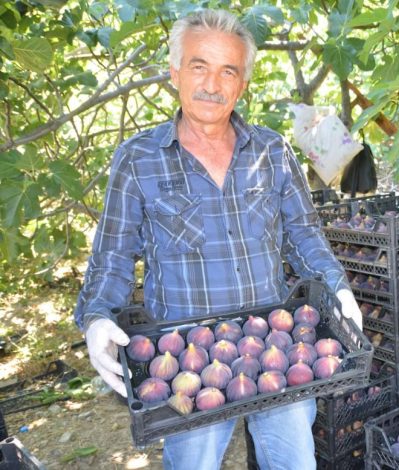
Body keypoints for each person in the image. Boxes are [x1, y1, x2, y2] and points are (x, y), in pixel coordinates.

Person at [73, 9, 363, 470]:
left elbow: (304, 234)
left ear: (242, 83)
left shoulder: (272, 151)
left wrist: (336, 284)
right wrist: (95, 318)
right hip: (186, 360)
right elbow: (112, 255)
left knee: (295, 463)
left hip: (278, 350)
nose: (212, 83)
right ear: (175, 73)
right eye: (198, 66)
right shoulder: (137, 160)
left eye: (228, 70)